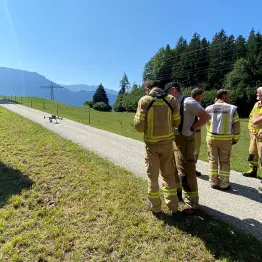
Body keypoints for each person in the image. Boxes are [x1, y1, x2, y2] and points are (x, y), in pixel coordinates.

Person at [134, 79, 181, 218]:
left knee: (152, 177)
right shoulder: (172, 100)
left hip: (151, 146)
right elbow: (177, 121)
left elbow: (138, 127)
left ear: (147, 89)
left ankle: (155, 208)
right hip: (167, 145)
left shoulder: (144, 100)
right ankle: (173, 207)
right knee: (168, 175)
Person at [165, 82, 210, 215]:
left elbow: (206, 116)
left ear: (173, 90)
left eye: (168, 92)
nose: (167, 95)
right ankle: (180, 196)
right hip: (176, 140)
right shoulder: (175, 102)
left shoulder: (188, 101)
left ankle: (192, 204)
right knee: (176, 170)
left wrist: (192, 129)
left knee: (187, 172)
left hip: (185, 141)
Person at [205, 89, 240, 190]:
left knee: (212, 160)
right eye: (228, 95)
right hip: (226, 139)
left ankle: (213, 182)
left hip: (212, 138)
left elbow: (205, 122)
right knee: (224, 161)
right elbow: (236, 125)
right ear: (223, 96)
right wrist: (235, 139)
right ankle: (224, 184)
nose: (229, 97)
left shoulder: (209, 108)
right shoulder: (232, 108)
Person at [242, 87, 262, 179]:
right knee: (252, 154)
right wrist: (249, 128)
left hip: (261, 136)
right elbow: (251, 116)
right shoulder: (256, 104)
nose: (257, 94)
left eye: (258, 93)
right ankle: (253, 171)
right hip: (253, 135)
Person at [191, 88, 205, 177]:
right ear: (198, 95)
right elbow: (202, 118)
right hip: (195, 131)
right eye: (202, 95)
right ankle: (192, 169)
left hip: (187, 130)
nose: (203, 97)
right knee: (195, 150)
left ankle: (190, 168)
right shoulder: (197, 104)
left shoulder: (186, 102)